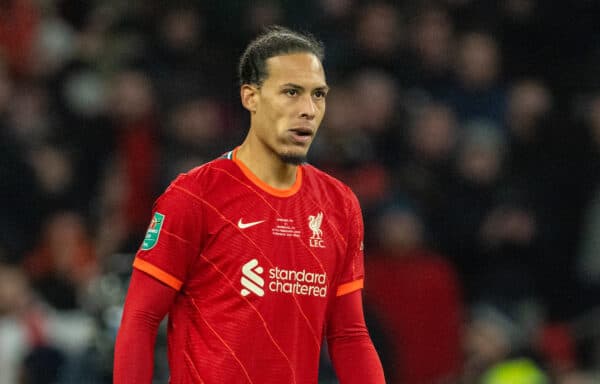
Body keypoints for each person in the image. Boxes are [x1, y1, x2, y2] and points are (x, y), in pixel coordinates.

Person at [113, 26, 386, 383]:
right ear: (250, 97)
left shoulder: (340, 205)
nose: (308, 109)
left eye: (317, 95)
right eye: (291, 92)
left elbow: (349, 335)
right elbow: (141, 318)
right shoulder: (195, 195)